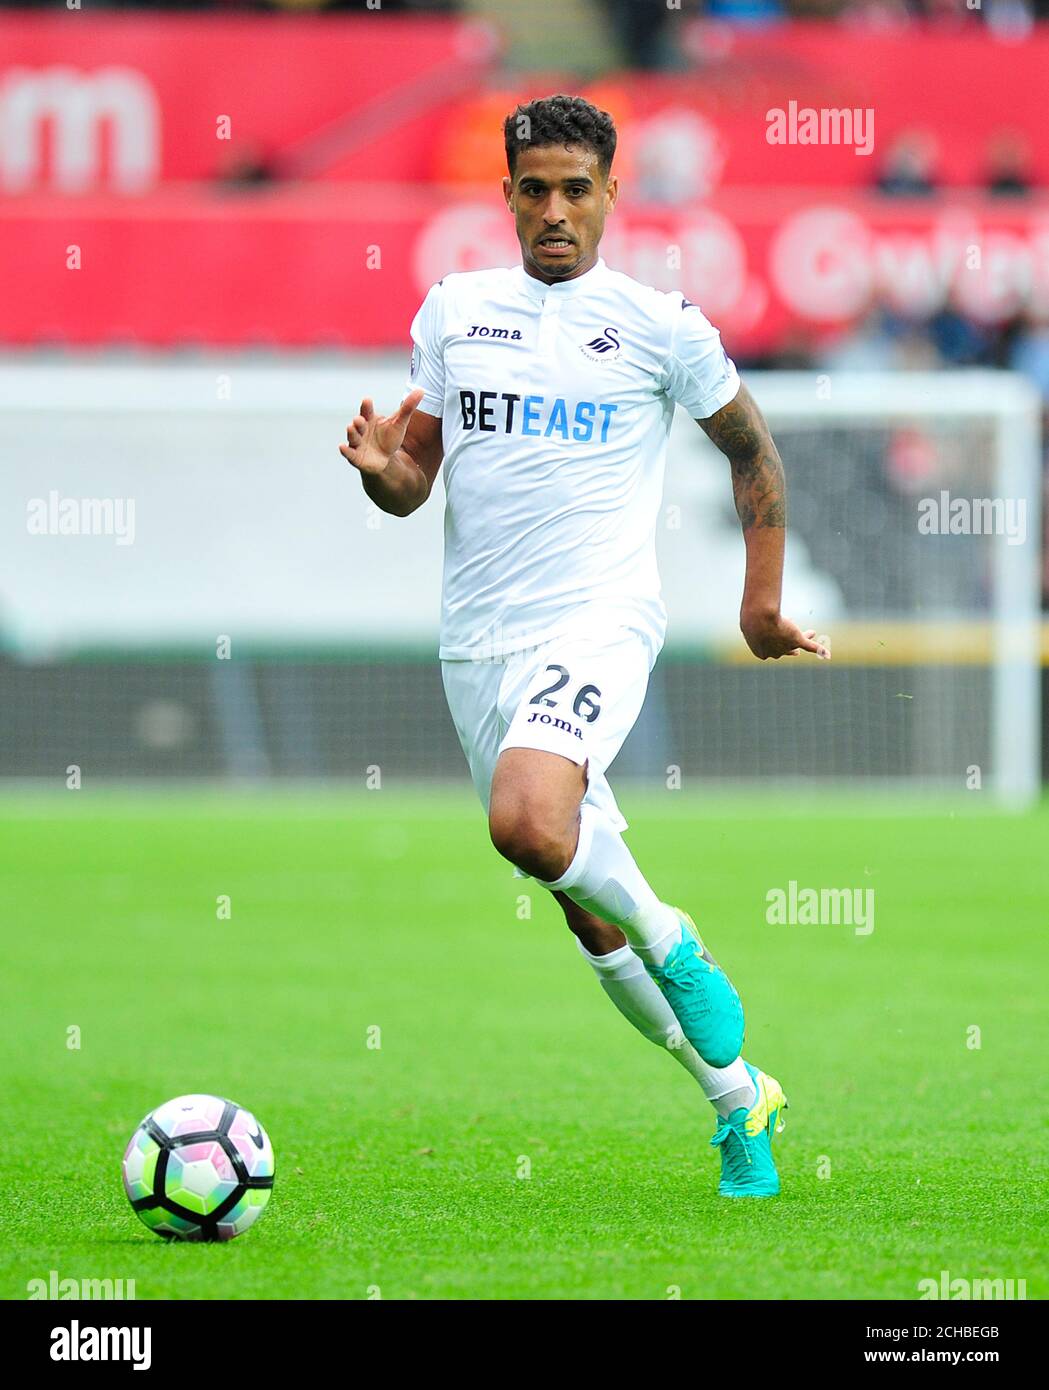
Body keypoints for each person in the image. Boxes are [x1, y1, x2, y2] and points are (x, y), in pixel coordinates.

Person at [339, 94, 829, 1198]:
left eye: (574, 188)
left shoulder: (660, 326)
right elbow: (414, 480)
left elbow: (752, 454)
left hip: (599, 618)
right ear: (506, 194)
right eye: (532, 189)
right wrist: (385, 473)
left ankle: (676, 935)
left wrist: (759, 605)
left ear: (610, 193)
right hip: (478, 644)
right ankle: (735, 1097)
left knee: (527, 820)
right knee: (571, 890)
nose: (552, 210)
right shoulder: (458, 311)